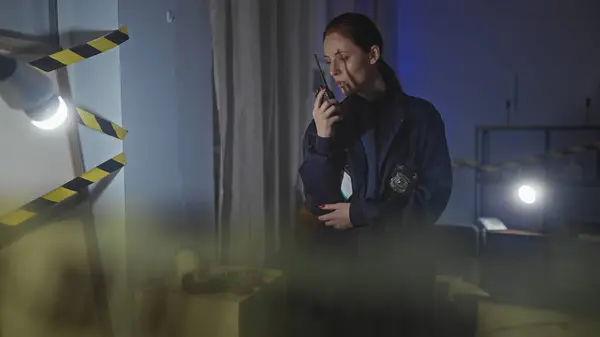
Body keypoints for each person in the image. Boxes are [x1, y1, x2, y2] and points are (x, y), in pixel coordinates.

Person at [298, 12, 453, 337]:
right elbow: (317, 202)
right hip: (343, 276)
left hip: (402, 272)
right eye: (329, 61)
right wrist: (323, 140)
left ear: (372, 54)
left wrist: (361, 213)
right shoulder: (329, 121)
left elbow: (432, 197)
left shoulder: (420, 118)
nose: (335, 71)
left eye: (344, 58)